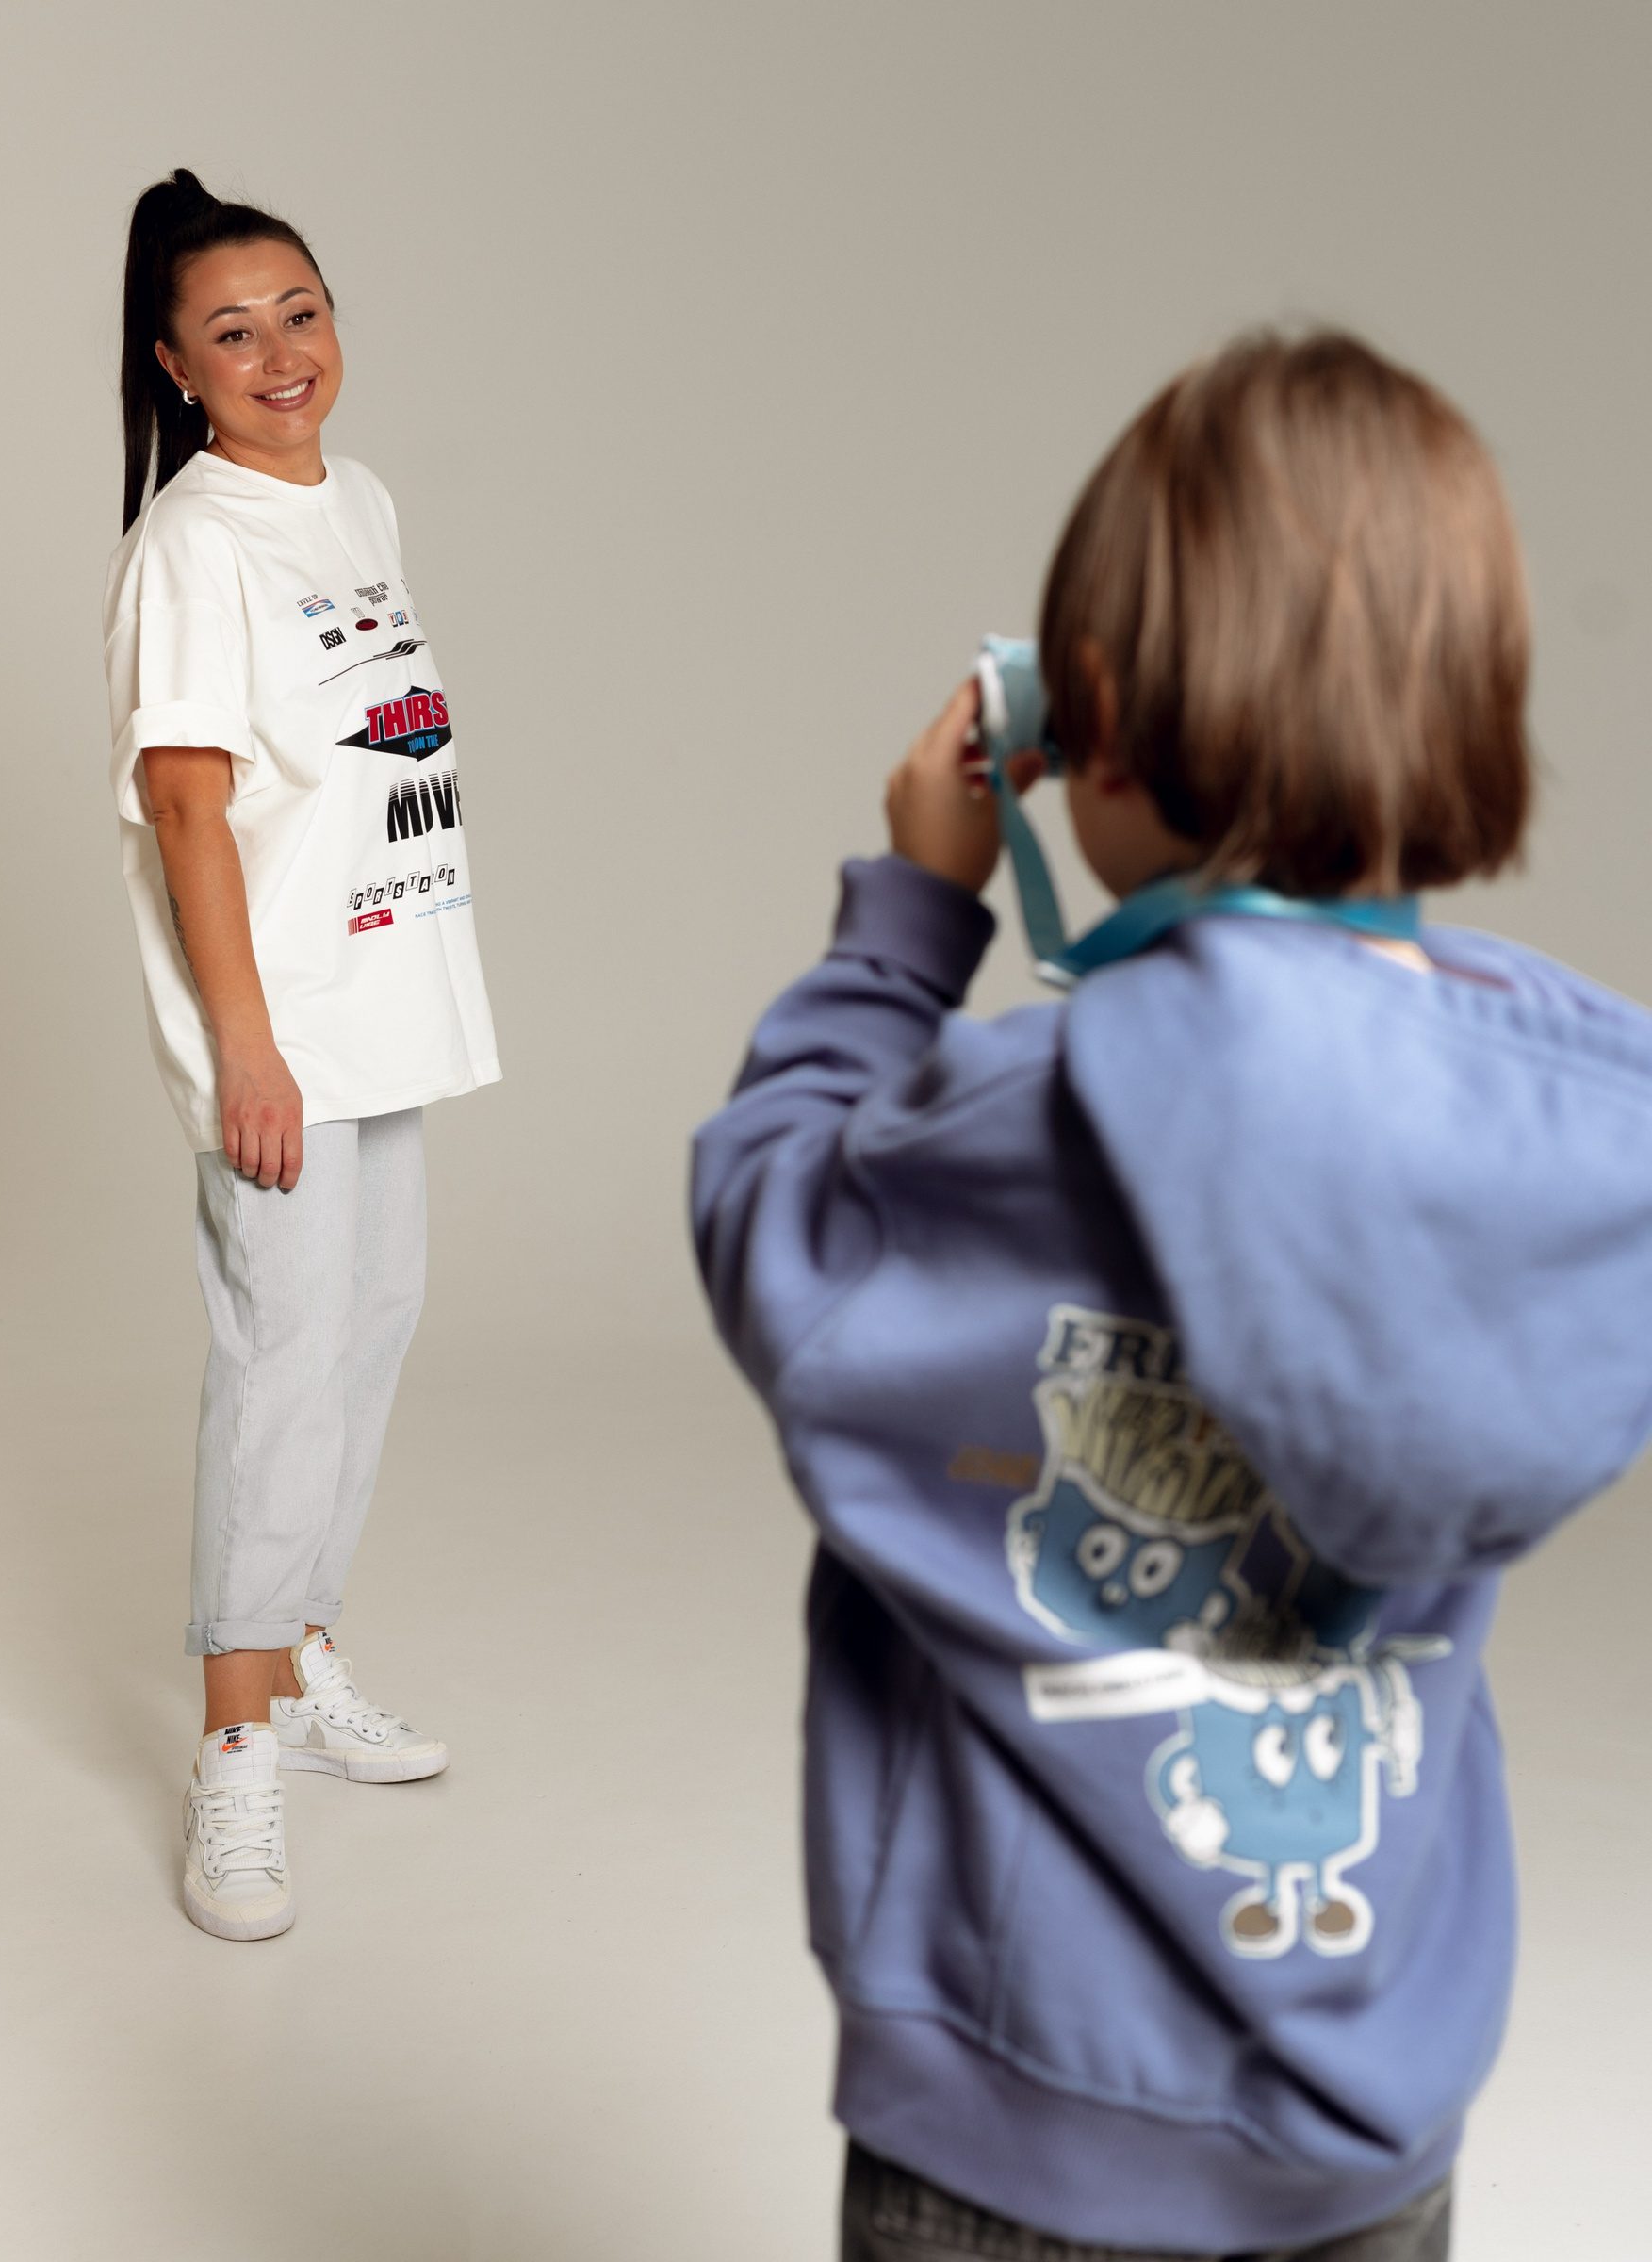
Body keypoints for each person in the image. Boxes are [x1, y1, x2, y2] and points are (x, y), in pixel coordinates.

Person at [691, 333, 1652, 2259]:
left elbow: (772, 1228)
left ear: (1095, 719)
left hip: (1021, 2112)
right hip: (1373, 2109)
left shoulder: (1033, 1115)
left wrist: (912, 920)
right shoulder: (1574, 1125)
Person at [103, 170, 499, 1941]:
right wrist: (244, 1053)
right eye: (233, 331)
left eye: (301, 313)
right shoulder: (191, 545)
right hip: (283, 1028)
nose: (280, 354)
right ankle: (234, 1744)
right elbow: (189, 810)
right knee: (278, 1364)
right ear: (176, 365)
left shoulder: (361, 499)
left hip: (386, 994)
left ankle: (303, 1646)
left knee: (366, 1334)